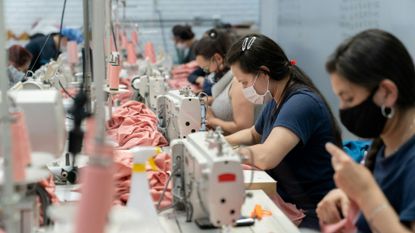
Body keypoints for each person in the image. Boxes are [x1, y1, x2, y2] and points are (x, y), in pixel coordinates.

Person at [225, 34, 342, 229]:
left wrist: (225, 154)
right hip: (285, 200)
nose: (243, 88)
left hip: (312, 213)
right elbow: (254, 133)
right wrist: (219, 142)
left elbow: (266, 156)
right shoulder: (277, 98)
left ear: (263, 73)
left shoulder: (300, 103)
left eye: (244, 82)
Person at [316, 29, 415, 233]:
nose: (343, 109)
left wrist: (364, 193)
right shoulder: (384, 144)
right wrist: (348, 196)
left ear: (387, 93)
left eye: (349, 98)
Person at [194, 29, 259, 134]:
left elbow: (244, 128)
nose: (206, 72)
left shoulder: (240, 82)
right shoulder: (227, 78)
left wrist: (212, 120)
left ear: (218, 58)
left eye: (206, 68)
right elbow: (227, 100)